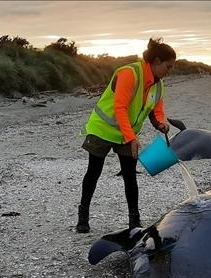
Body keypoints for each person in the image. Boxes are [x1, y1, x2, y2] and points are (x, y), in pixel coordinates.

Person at [75, 37, 176, 233]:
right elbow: (120, 108)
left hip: (126, 134)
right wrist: (132, 138)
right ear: (156, 62)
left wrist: (161, 124)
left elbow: (156, 110)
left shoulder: (159, 84)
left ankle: (134, 222)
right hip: (102, 129)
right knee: (94, 172)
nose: (169, 71)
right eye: (168, 66)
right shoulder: (130, 73)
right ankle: (83, 217)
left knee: (130, 176)